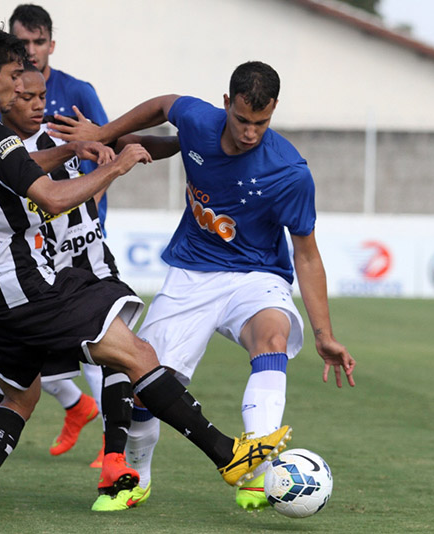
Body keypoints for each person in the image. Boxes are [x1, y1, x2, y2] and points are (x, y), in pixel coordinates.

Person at [0, 24, 292, 522]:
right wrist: (117, 165)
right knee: (135, 353)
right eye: (14, 77)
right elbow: (50, 197)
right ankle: (227, 455)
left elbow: (16, 169)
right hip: (28, 284)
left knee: (18, 395)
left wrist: (69, 149)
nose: (20, 86)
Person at [50, 60, 356, 511]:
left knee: (272, 337)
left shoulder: (290, 173)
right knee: (144, 382)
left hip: (257, 275)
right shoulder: (197, 120)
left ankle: (256, 473)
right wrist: (105, 133)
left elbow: (307, 255)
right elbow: (162, 105)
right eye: (242, 120)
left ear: (273, 110)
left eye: (261, 123)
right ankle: (137, 477)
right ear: (226, 103)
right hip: (191, 273)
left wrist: (324, 334)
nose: (250, 132)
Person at [0, 61, 180, 512]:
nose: (36, 104)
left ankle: (114, 461)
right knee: (7, 390)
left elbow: (128, 144)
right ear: (4, 97)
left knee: (119, 356)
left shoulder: (62, 133)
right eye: (25, 96)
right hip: (39, 280)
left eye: (41, 96)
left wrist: (189, 141)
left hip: (88, 265)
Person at [9, 4, 111, 465]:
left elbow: (107, 146)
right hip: (29, 241)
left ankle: (113, 442)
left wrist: (89, 206)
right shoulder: (2, 96)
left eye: (38, 42)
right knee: (20, 346)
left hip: (78, 238)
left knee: (96, 339)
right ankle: (77, 406)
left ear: (51, 44)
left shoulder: (76, 92)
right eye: (22, 42)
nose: (31, 50)